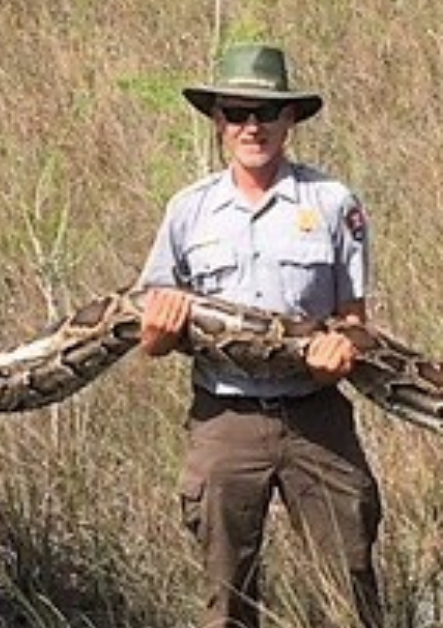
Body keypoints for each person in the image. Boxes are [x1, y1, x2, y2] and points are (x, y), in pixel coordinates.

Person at [137, 44, 383, 627]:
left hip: (316, 416)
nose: (253, 125)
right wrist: (159, 333)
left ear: (290, 120)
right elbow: (146, 331)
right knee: (228, 598)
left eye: (267, 113)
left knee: (350, 587)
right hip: (226, 420)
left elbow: (356, 321)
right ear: (218, 120)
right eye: (238, 111)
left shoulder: (332, 203)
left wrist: (341, 350)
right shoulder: (189, 209)